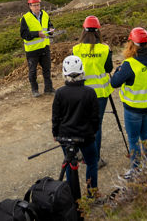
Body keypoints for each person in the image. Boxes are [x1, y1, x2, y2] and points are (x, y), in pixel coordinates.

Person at [110, 28, 147, 177]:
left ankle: (135, 170)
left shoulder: (130, 64)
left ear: (132, 44)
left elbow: (114, 82)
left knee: (133, 139)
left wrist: (119, 69)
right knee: (145, 135)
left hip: (133, 108)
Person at [51, 56, 100, 194]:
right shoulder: (90, 92)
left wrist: (55, 134)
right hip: (86, 136)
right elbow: (95, 118)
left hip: (65, 136)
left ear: (64, 73)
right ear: (82, 72)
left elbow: (56, 117)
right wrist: (93, 132)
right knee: (92, 163)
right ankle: (92, 194)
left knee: (69, 163)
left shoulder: (60, 93)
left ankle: (72, 196)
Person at [71, 16, 112, 168]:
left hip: (81, 93)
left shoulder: (76, 49)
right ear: (98, 31)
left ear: (83, 30)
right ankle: (95, 159)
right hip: (100, 94)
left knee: (82, 123)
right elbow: (108, 69)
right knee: (96, 126)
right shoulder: (105, 49)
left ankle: (81, 153)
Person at [20, 0, 55, 97]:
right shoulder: (25, 18)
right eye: (34, 5)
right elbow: (24, 34)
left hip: (44, 47)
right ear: (30, 6)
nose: (37, 7)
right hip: (32, 50)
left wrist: (51, 29)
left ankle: (48, 89)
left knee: (47, 69)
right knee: (32, 71)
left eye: (38, 5)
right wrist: (37, 34)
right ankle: (35, 90)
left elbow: (49, 24)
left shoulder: (45, 14)